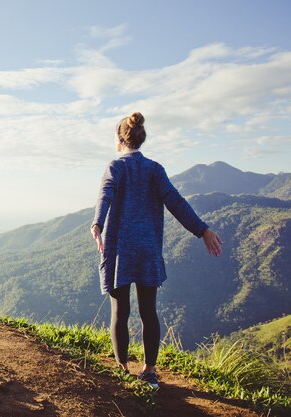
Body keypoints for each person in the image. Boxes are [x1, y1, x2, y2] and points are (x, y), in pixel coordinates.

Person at [90, 112, 223, 389]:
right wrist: (202, 230)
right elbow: (176, 202)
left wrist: (97, 224)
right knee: (148, 311)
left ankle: (122, 368)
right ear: (141, 137)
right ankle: (149, 371)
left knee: (120, 312)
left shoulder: (115, 167)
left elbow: (106, 194)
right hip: (147, 248)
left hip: (119, 249)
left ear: (119, 138)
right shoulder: (155, 169)